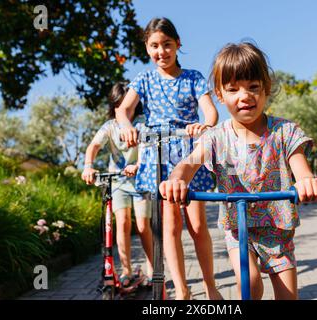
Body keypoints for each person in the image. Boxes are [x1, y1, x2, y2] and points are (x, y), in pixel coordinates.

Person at [159, 42, 317, 300]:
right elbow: (188, 164)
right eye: (233, 89)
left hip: (278, 231)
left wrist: (306, 182)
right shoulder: (216, 137)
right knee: (250, 283)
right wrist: (176, 181)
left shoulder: (285, 132)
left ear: (266, 88)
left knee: (288, 296)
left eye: (253, 87)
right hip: (239, 230)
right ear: (220, 95)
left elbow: (301, 169)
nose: (244, 96)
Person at [116, 17, 222, 300]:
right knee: (170, 226)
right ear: (147, 48)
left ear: (178, 45)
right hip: (157, 154)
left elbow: (210, 113)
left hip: (187, 154)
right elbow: (124, 110)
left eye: (167, 45)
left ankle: (211, 288)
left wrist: (205, 126)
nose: (161, 51)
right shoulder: (144, 79)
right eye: (154, 46)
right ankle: (182, 291)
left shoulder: (193, 78)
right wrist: (127, 127)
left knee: (197, 225)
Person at [82, 83, 154, 287]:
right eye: (117, 106)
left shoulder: (142, 123)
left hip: (141, 180)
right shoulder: (110, 126)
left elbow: (147, 149)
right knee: (121, 223)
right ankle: (127, 270)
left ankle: (152, 269)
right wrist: (88, 166)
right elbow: (93, 146)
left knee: (142, 226)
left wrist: (138, 164)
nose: (122, 110)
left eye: (126, 105)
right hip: (118, 181)